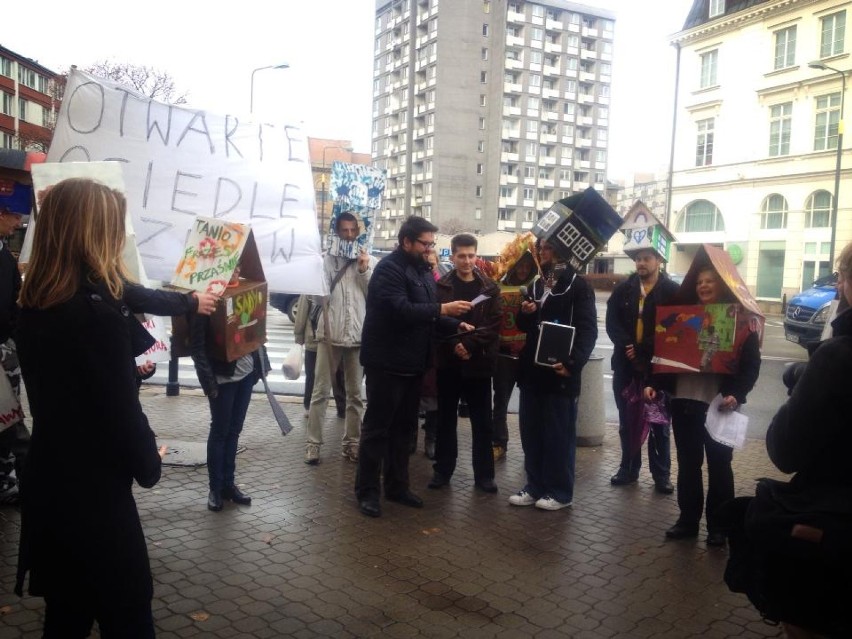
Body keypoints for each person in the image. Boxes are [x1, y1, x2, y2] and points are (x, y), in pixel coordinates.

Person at [14, 178, 163, 636]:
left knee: (66, 614)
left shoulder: (34, 303)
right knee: (129, 616)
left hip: (52, 481)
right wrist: (149, 459)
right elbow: (120, 415)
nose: (119, 236)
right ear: (93, 233)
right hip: (98, 497)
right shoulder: (94, 315)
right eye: (114, 226)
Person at [754, 240, 852, 638]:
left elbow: (784, 449)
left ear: (844, 283)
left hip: (835, 538)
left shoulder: (837, 358)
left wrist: (803, 385)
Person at [355, 216, 471, 518]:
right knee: (377, 430)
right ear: (406, 242)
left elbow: (428, 315)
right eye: (425, 243)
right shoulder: (389, 270)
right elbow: (401, 310)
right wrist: (443, 308)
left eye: (432, 244)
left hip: (414, 364)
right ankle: (367, 491)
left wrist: (455, 322)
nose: (430, 249)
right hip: (386, 363)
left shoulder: (422, 271)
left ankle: (397, 486)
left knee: (404, 431)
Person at [644, 265, 761, 545]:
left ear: (721, 285)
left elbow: (750, 366)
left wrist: (737, 393)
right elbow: (664, 352)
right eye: (699, 282)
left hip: (720, 406)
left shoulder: (739, 321)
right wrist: (654, 383)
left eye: (710, 281)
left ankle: (719, 527)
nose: (704, 286)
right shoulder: (684, 316)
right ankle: (688, 521)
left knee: (720, 467)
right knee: (688, 465)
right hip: (684, 402)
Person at [509, 239, 597, 511]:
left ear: (560, 250)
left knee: (558, 434)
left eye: (546, 248)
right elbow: (525, 325)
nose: (541, 252)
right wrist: (525, 313)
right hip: (533, 372)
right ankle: (534, 486)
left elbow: (588, 330)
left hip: (560, 374)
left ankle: (560, 491)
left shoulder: (578, 286)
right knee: (531, 432)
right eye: (540, 248)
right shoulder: (537, 285)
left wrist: (572, 363)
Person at [191, 265, 269, 512]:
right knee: (220, 431)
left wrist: (259, 367)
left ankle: (228, 485)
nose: (236, 271)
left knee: (234, 431)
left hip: (245, 374)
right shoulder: (207, 299)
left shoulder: (248, 290)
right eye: (230, 266)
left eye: (238, 266)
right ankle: (215, 488)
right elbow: (197, 346)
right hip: (222, 379)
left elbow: (255, 329)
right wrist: (208, 383)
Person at [428, 233, 501, 493]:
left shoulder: (490, 287)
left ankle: (484, 475)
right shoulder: (442, 286)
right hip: (449, 362)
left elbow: (493, 325)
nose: (467, 261)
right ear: (453, 255)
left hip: (479, 363)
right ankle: (442, 470)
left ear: (476, 255)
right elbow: (435, 321)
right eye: (462, 256)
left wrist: (468, 345)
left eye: (471, 255)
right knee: (445, 420)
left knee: (482, 423)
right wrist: (454, 344)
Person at [606, 248, 679, 493]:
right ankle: (628, 468)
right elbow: (611, 322)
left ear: (659, 261)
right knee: (628, 421)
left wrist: (642, 348)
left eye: (646, 258)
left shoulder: (671, 292)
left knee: (659, 421)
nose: (641, 263)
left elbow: (674, 328)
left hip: (657, 368)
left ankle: (661, 475)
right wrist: (628, 345)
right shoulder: (624, 289)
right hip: (626, 366)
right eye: (638, 259)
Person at [305, 212, 374, 464]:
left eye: (352, 230)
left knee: (356, 395)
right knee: (320, 392)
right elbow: (314, 298)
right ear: (336, 232)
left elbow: (374, 296)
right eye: (343, 230)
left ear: (358, 232)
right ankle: (313, 444)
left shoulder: (368, 259)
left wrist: (364, 269)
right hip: (329, 336)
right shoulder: (326, 260)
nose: (348, 235)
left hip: (357, 336)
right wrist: (320, 272)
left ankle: (352, 443)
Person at [492, 251, 536, 461]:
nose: (523, 270)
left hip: (528, 354)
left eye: (528, 266)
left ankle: (532, 448)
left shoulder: (536, 287)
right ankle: (499, 442)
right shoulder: (498, 286)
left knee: (530, 405)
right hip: (504, 354)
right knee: (500, 401)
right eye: (520, 265)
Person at [0, 206, 28, 506]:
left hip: (5, 350)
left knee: (8, 418)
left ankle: (7, 478)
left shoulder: (5, 256)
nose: (19, 222)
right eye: (14, 216)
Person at [292, 294, 345, 419]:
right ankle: (339, 407)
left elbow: (301, 315)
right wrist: (299, 337)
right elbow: (301, 314)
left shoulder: (316, 285)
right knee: (327, 375)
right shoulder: (311, 288)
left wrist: (299, 337)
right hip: (321, 340)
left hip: (328, 340)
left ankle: (339, 407)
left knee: (328, 375)